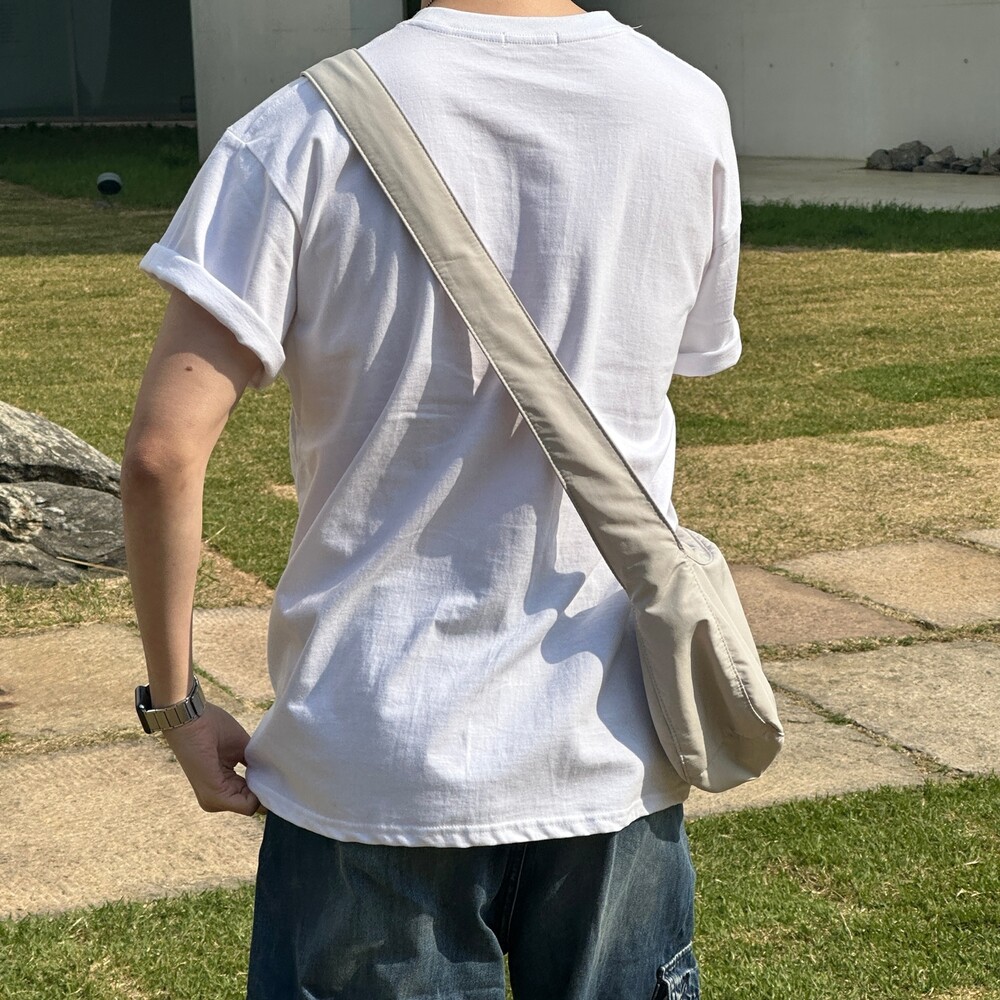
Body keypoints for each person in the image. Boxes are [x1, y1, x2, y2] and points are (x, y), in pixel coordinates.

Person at [121, 0, 742, 996]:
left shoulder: (297, 131)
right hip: (609, 736)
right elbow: (670, 362)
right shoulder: (685, 108)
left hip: (373, 754)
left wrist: (177, 706)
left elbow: (161, 455)